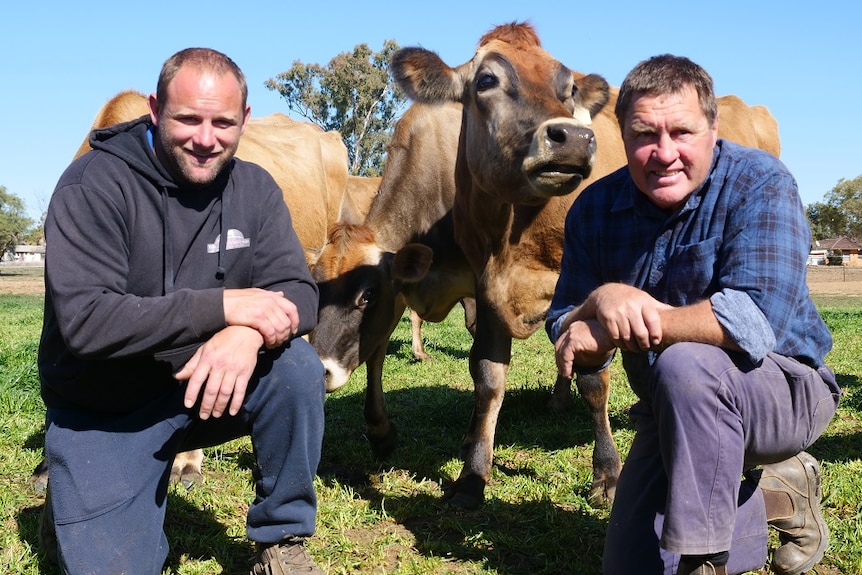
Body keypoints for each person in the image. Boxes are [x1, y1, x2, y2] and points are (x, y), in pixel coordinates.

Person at [546, 54, 841, 575]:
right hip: (672, 407)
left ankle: (706, 562)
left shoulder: (761, 184)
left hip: (785, 389)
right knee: (629, 566)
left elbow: (751, 321)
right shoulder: (593, 209)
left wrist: (637, 313)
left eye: (682, 132)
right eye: (643, 135)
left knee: (687, 363)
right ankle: (783, 492)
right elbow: (565, 316)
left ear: (713, 128)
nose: (664, 154)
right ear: (622, 134)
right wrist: (600, 303)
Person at [38, 47, 326, 574]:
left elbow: (300, 293)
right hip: (107, 407)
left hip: (203, 385)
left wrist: (246, 336)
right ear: (154, 109)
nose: (205, 138)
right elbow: (87, 321)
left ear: (244, 119)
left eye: (222, 122)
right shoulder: (93, 187)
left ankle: (282, 539)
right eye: (187, 119)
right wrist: (224, 307)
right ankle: (73, 494)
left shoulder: (255, 189)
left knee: (294, 369)